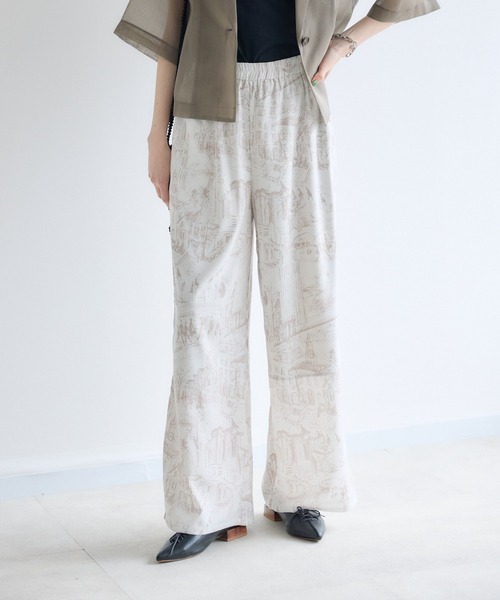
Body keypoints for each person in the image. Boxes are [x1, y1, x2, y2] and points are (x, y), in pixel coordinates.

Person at [113, 0, 440, 563]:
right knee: (203, 315)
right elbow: (170, 30)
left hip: (294, 99)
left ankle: (300, 490)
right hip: (203, 114)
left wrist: (348, 41)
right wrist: (156, 136)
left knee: (301, 305)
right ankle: (206, 506)